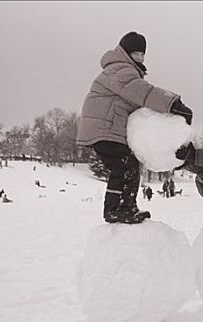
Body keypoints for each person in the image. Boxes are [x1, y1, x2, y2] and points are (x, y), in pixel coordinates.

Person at [76, 31, 193, 224]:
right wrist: (174, 104)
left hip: (109, 129)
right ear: (125, 52)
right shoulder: (120, 70)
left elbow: (141, 102)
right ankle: (115, 209)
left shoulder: (123, 71)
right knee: (124, 166)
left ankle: (127, 207)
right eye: (136, 53)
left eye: (142, 54)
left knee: (129, 165)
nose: (140, 57)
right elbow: (143, 93)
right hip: (105, 129)